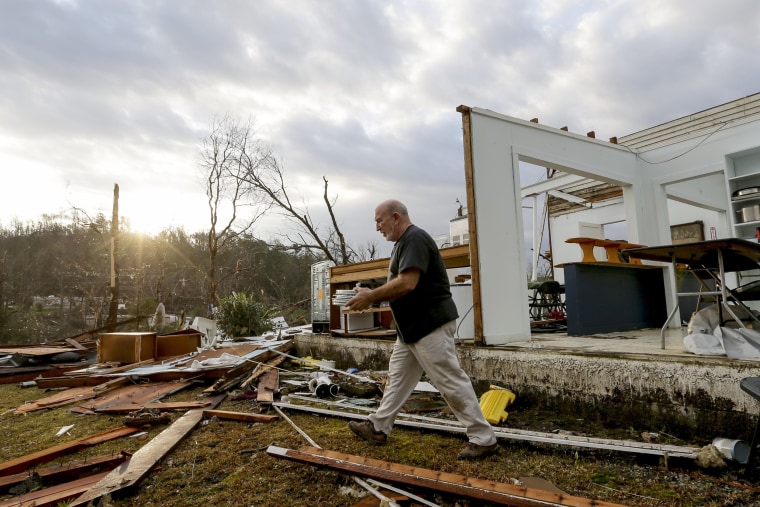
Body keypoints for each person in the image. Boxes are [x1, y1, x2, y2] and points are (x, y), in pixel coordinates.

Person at [345, 199, 498, 460]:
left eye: (379, 221)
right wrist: (370, 290)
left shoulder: (414, 238)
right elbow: (396, 281)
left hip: (429, 325)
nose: (377, 227)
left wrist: (372, 297)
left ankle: (483, 438)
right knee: (398, 378)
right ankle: (378, 427)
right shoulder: (402, 245)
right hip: (412, 329)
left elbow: (407, 283)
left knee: (448, 379)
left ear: (395, 217)